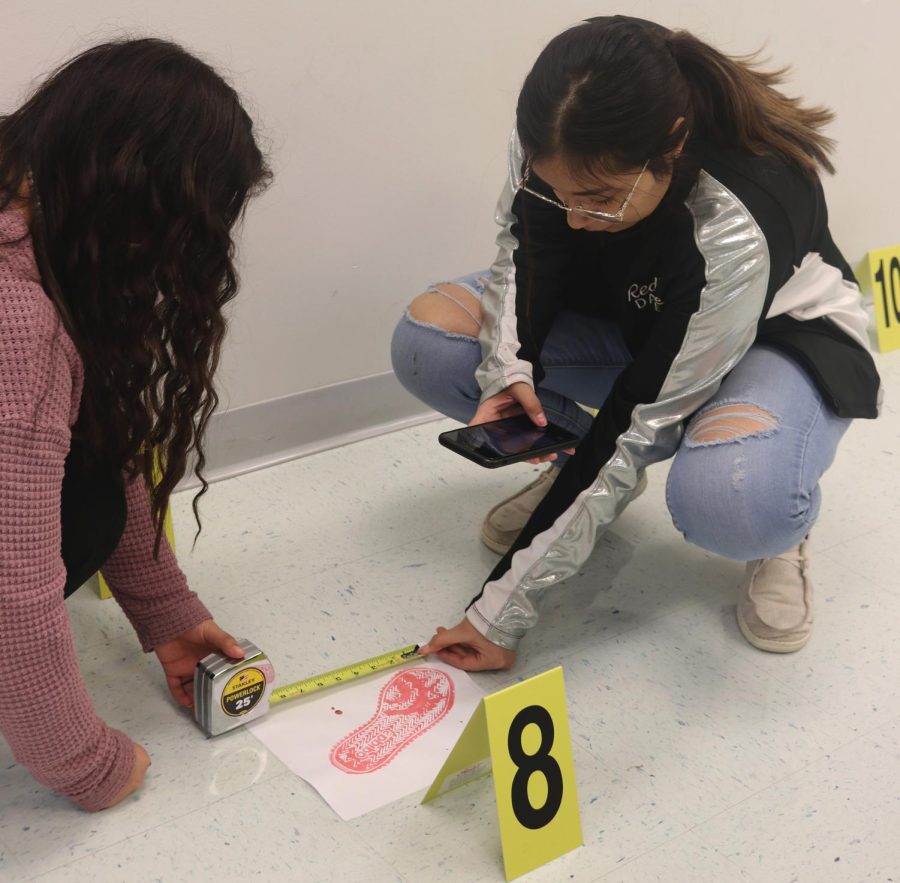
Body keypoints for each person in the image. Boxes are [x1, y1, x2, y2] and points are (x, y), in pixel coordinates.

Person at [392, 16, 881, 672]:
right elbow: (524, 252)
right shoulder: (559, 140)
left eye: (596, 200)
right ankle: (578, 473)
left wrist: (498, 611)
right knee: (433, 343)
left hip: (777, 340)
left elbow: (636, 426)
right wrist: (509, 370)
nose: (572, 217)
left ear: (671, 147)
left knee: (730, 497)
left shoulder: (737, 215)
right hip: (643, 314)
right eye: (559, 193)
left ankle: (777, 521)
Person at [0, 39, 270, 810]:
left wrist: (165, 610)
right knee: (80, 514)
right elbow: (11, 593)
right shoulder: (18, 322)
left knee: (93, 464)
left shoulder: (27, 190)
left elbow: (105, 430)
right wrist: (88, 765)